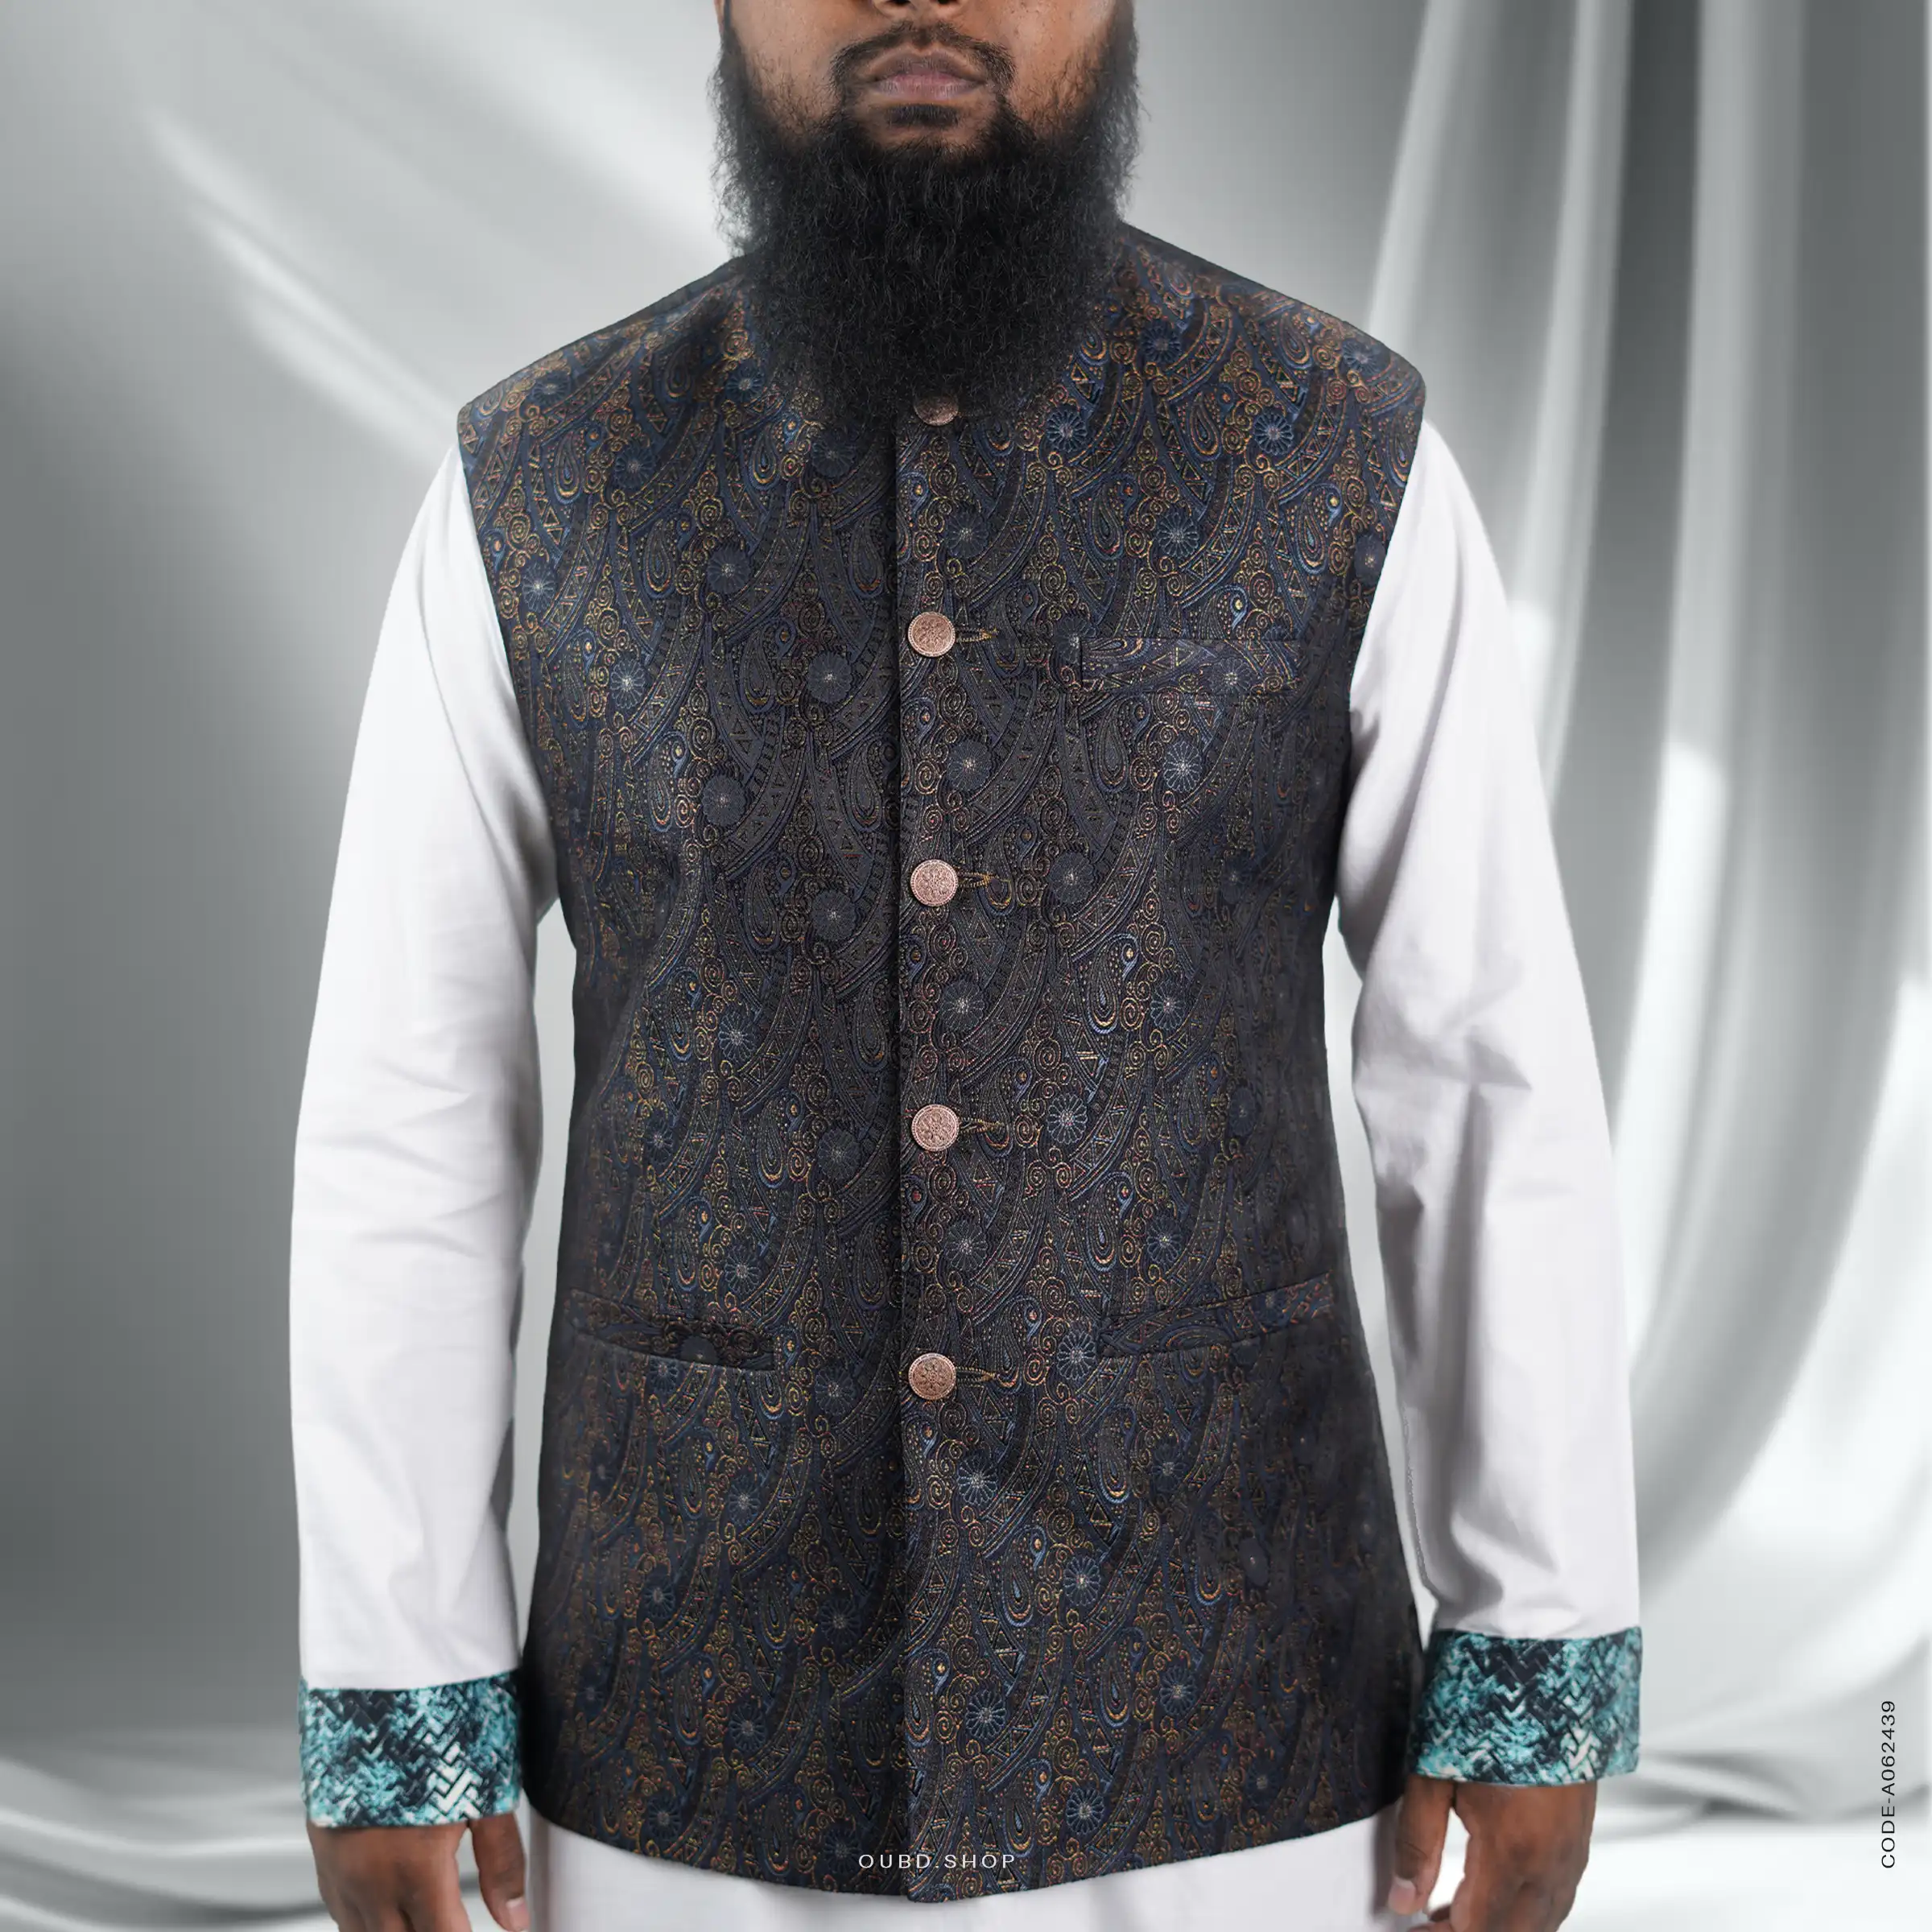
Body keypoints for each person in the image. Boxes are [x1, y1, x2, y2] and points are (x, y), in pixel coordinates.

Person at [288, 2, 1641, 1928]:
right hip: (681, 1742)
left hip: (1233, 1738)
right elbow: (407, 1122)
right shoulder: (537, 488)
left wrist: (1536, 1654)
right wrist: (394, 1693)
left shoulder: (1340, 455)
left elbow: (1486, 1080)